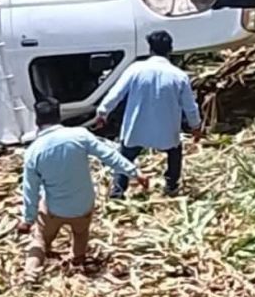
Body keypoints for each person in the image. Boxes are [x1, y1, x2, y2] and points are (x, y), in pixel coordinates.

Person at [18, 96, 149, 282]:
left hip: (53, 209)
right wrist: (135, 173)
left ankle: (30, 274)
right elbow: (109, 156)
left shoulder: (33, 152)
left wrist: (27, 219)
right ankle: (77, 265)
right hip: (82, 206)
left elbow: (30, 189)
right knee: (80, 234)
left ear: (37, 121)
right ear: (59, 116)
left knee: (40, 238)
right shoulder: (80, 136)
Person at [94, 30, 201, 199]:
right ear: (170, 50)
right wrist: (196, 126)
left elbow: (116, 94)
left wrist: (102, 113)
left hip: (137, 126)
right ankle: (171, 185)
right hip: (166, 129)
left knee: (125, 157)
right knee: (174, 153)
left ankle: (118, 191)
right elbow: (190, 106)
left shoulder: (135, 70)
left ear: (150, 49)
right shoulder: (179, 76)